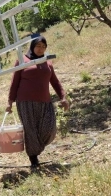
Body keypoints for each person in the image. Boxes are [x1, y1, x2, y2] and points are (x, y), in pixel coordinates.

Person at [5, 35, 70, 169]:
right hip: (25, 102)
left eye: (43, 47)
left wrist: (63, 97)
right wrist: (9, 102)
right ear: (32, 46)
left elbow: (55, 82)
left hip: (45, 101)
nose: (40, 49)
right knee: (30, 130)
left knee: (49, 129)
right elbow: (14, 83)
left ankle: (36, 147)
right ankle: (34, 159)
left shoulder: (47, 62)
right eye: (38, 46)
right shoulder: (22, 60)